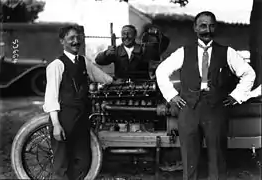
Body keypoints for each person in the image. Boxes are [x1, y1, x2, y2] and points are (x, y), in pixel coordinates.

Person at [156, 11, 256, 180]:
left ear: (215, 27)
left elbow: (249, 74)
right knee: (189, 156)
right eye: (203, 25)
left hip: (216, 109)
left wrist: (236, 96)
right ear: (195, 28)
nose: (207, 30)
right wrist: (172, 95)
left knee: (217, 156)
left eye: (211, 25)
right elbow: (161, 71)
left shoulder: (227, 52)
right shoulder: (183, 52)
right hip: (188, 109)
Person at [43, 25, 113, 180]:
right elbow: (51, 97)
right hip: (64, 118)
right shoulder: (56, 65)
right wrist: (56, 125)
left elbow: (103, 77)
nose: (76, 41)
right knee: (62, 164)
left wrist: (115, 81)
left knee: (82, 162)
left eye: (78, 37)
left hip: (82, 119)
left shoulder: (83, 62)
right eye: (71, 38)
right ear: (62, 41)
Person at [95, 24, 169, 80]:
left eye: (129, 33)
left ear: (135, 35)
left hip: (142, 87)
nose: (126, 36)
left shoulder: (144, 49)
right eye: (124, 34)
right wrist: (106, 54)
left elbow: (162, 46)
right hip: (121, 88)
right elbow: (98, 61)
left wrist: (156, 33)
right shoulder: (116, 51)